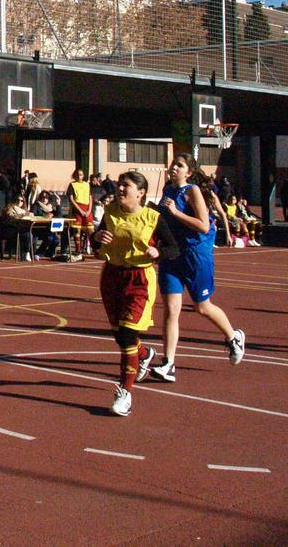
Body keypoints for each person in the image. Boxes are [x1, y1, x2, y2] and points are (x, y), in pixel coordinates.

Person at [151, 154, 245, 384]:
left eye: (179, 166)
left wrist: (176, 213)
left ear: (188, 172)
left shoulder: (192, 191)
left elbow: (203, 226)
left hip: (195, 255)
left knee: (202, 307)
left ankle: (233, 337)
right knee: (171, 309)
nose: (173, 168)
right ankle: (168, 363)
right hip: (173, 254)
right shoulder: (167, 191)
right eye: (173, 164)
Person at [93, 170, 179, 416]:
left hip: (139, 279)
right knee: (121, 336)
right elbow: (96, 241)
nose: (120, 189)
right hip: (112, 277)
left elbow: (174, 247)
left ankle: (125, 393)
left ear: (140, 193)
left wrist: (159, 253)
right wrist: (96, 236)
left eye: (126, 186)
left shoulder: (152, 217)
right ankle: (145, 354)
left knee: (128, 335)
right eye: (120, 185)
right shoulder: (110, 213)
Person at [66, 168, 94, 257]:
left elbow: (90, 198)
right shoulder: (72, 185)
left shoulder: (87, 185)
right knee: (77, 230)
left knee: (91, 230)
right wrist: (80, 210)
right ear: (75, 175)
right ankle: (78, 249)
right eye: (78, 174)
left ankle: (95, 249)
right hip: (78, 208)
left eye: (81, 174)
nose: (79, 176)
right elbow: (71, 199)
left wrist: (89, 210)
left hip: (87, 208)